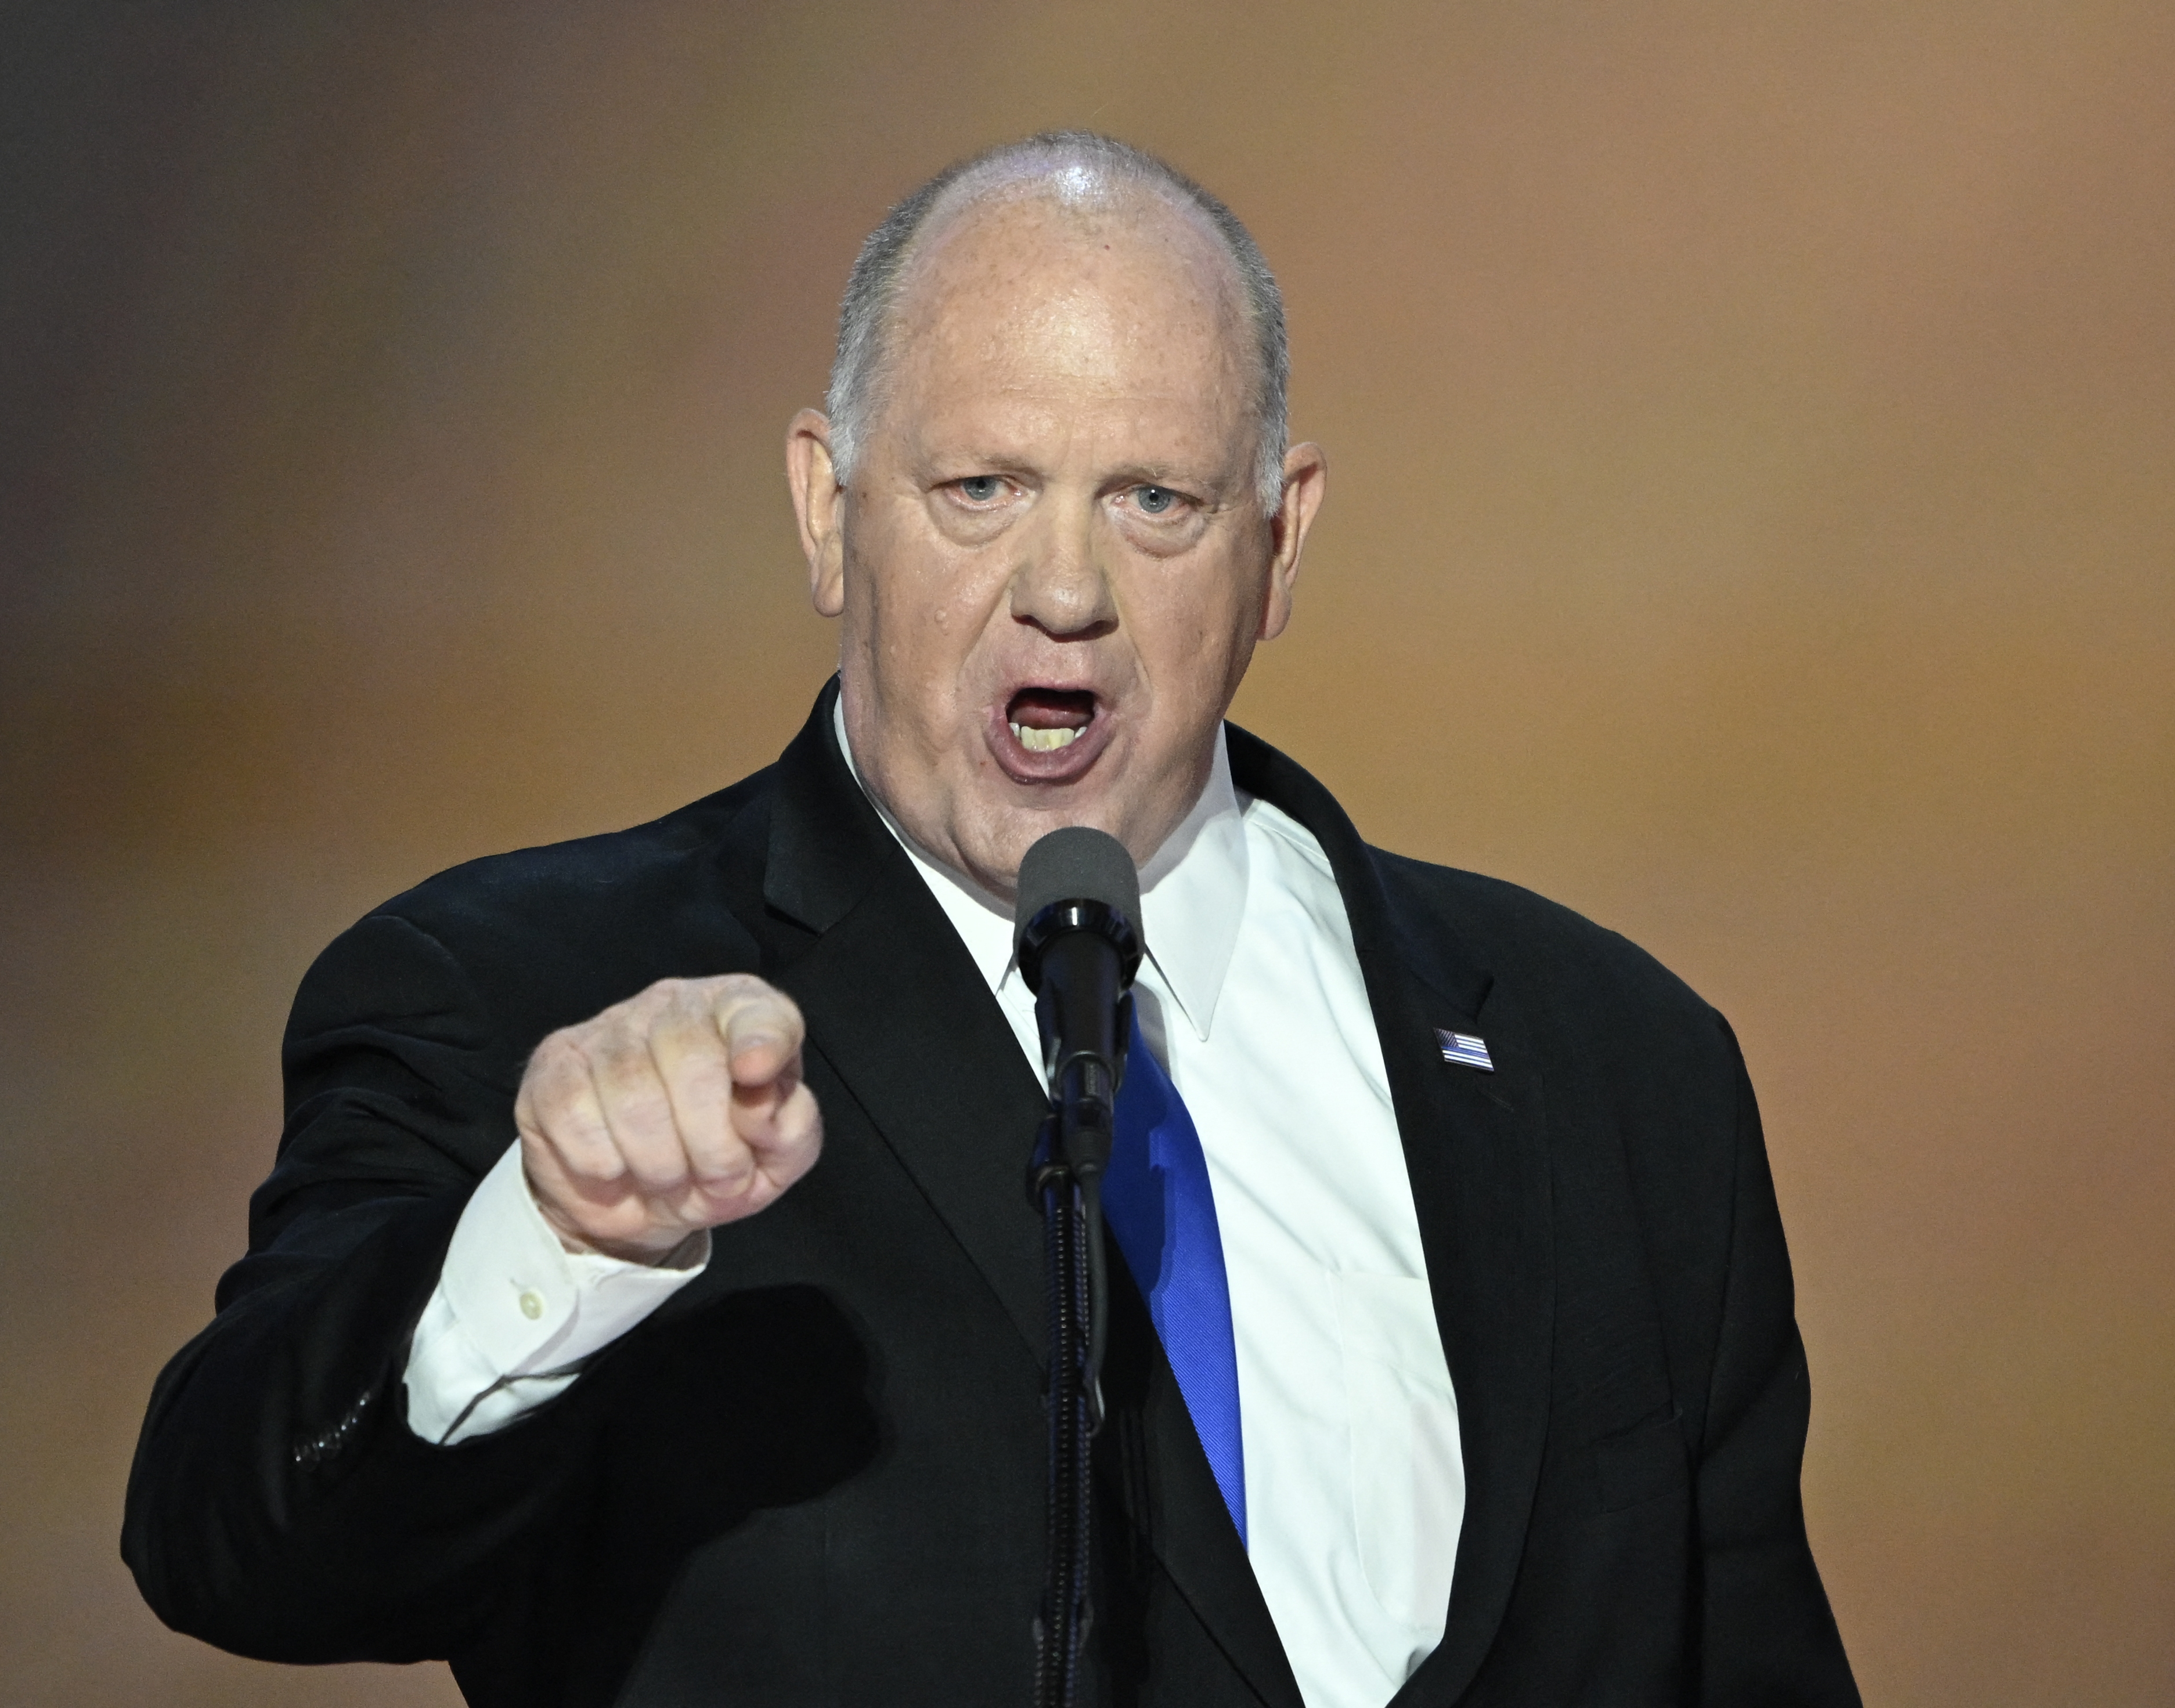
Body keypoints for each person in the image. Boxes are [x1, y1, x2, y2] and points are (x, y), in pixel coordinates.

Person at [124, 132, 1861, 1708]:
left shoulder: (1612, 1069)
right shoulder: (521, 997)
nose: (1062, 589)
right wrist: (559, 1242)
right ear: (827, 507)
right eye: (981, 490)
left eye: (1153, 501)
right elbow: (236, 1540)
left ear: (1280, 541)